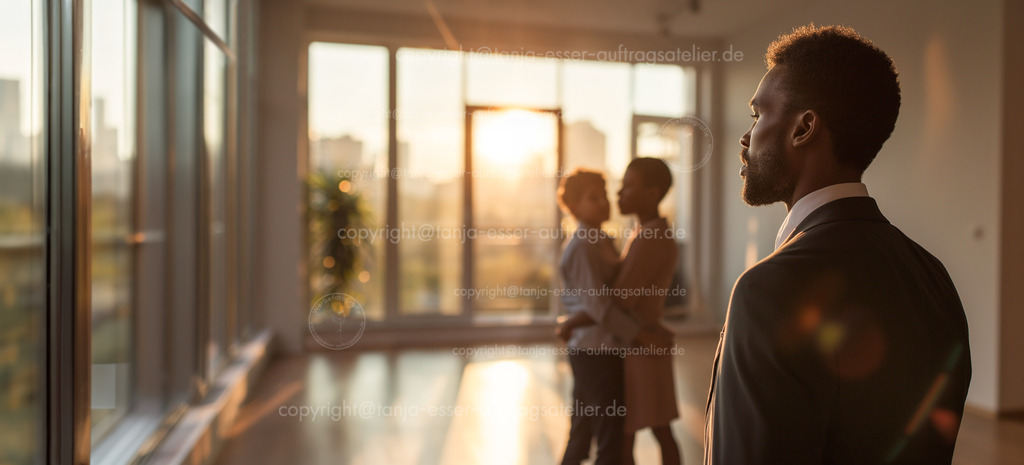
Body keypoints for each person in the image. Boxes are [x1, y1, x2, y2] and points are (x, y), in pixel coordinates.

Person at [704, 25, 972, 464]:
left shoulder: (766, 288)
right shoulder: (932, 275)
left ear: (804, 127)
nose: (745, 137)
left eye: (757, 115)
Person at [559, 158, 682, 465]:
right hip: (610, 344)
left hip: (625, 343)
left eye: (625, 187)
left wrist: (572, 322)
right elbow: (606, 302)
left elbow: (616, 299)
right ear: (573, 207)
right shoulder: (594, 243)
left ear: (651, 194)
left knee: (617, 431)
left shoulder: (642, 237)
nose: (612, 198)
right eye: (595, 198)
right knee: (610, 432)